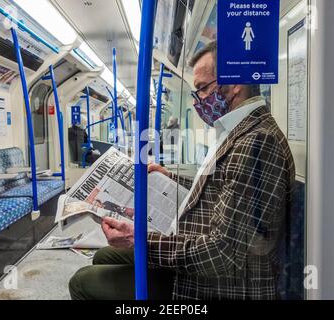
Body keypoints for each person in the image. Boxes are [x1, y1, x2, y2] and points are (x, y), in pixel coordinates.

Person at [69, 41, 295, 300]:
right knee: (104, 255)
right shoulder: (239, 131)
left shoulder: (257, 143)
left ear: (235, 83)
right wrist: (171, 177)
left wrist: (139, 239)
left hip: (219, 285)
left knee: (82, 281)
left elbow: (222, 253)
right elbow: (221, 186)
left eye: (202, 88)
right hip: (203, 253)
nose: (198, 100)